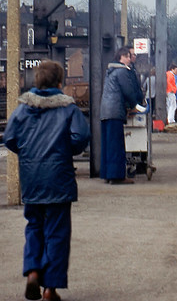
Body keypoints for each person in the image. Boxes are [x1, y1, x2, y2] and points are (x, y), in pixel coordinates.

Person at [3, 60, 90, 301]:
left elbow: (10, 138)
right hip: (58, 178)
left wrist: (29, 152)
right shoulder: (68, 108)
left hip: (32, 179)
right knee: (57, 232)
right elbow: (81, 136)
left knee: (34, 225)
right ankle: (50, 288)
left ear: (36, 81)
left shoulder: (22, 108)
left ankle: (32, 271)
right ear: (60, 83)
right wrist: (63, 150)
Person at [100, 46, 145, 184]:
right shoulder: (122, 71)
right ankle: (117, 176)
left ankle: (107, 174)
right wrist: (135, 106)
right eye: (126, 56)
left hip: (106, 111)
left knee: (107, 144)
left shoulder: (110, 71)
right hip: (115, 111)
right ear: (120, 58)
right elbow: (128, 91)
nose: (129, 59)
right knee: (117, 145)